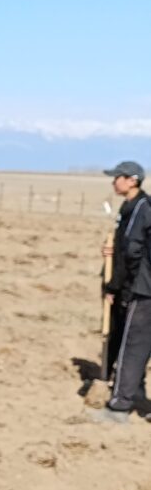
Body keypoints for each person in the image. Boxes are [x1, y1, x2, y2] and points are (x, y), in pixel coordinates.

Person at [101, 159, 151, 422]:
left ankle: (119, 406)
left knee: (132, 346)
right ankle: (138, 394)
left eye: (118, 177)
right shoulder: (131, 208)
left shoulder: (143, 208)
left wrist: (118, 286)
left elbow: (132, 251)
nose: (113, 182)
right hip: (140, 285)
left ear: (132, 180)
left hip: (143, 290)